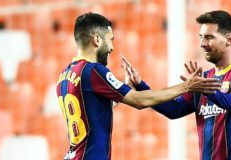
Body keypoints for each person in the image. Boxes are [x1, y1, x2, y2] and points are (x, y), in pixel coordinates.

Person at [56, 12, 221, 160]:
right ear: (97, 39)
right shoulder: (94, 71)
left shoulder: (64, 76)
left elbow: (94, 110)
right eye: (110, 39)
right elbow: (139, 101)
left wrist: (126, 87)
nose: (112, 47)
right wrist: (187, 86)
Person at [122, 10, 231, 160]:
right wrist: (140, 85)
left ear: (229, 39)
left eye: (209, 37)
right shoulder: (205, 78)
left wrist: (207, 91)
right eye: (201, 37)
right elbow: (174, 110)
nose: (202, 44)